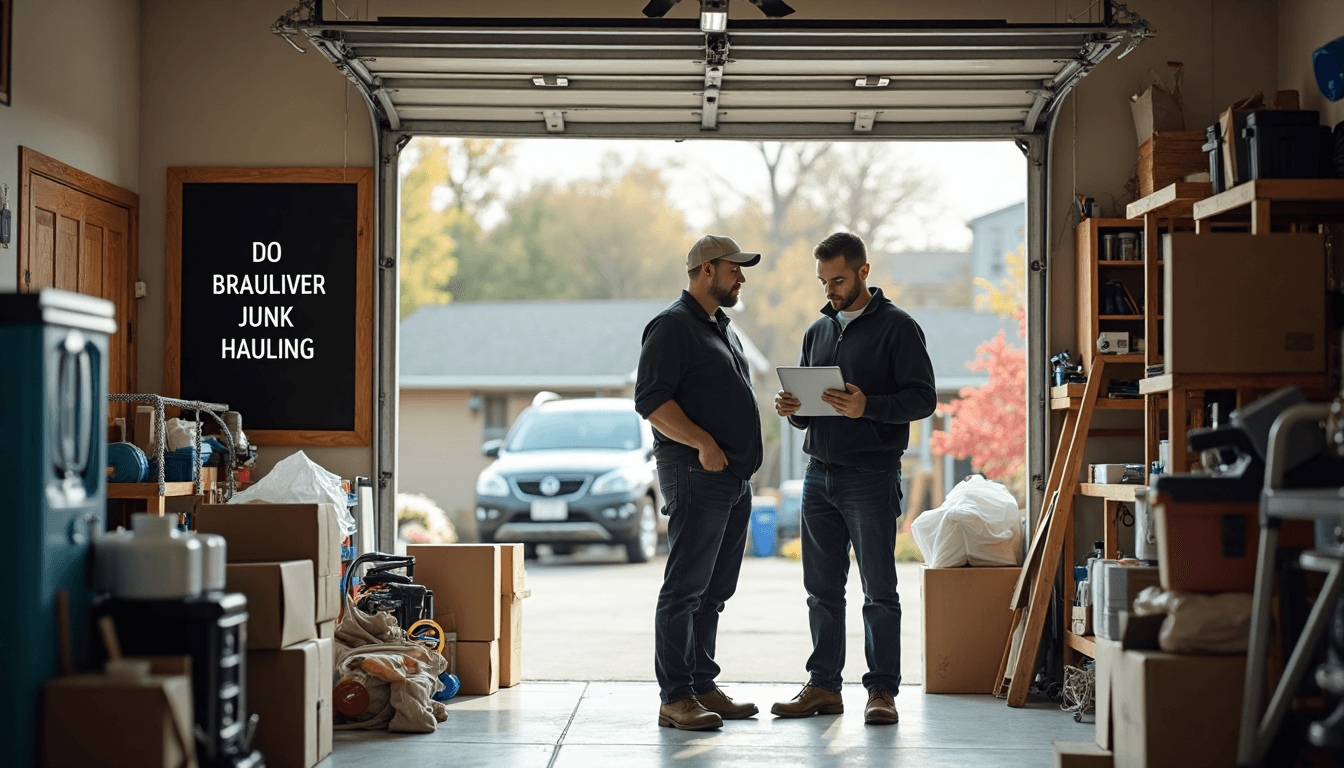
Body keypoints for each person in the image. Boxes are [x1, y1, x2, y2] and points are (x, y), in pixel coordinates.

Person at [771, 232, 937, 725]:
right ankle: (823, 687)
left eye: (838, 280)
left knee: (878, 591)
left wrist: (869, 407)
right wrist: (792, 410)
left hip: (870, 475)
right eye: (823, 282)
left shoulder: (899, 328)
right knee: (821, 591)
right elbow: (809, 411)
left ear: (864, 272)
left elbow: (923, 399)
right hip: (817, 476)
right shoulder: (816, 332)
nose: (830, 291)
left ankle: (882, 692)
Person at [634, 234, 765, 731]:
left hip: (731, 478)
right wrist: (704, 443)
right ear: (707, 269)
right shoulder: (672, 327)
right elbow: (651, 400)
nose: (741, 277)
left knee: (713, 590)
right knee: (685, 589)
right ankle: (675, 697)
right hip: (696, 473)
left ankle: (702, 684)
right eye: (735, 269)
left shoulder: (720, 326)